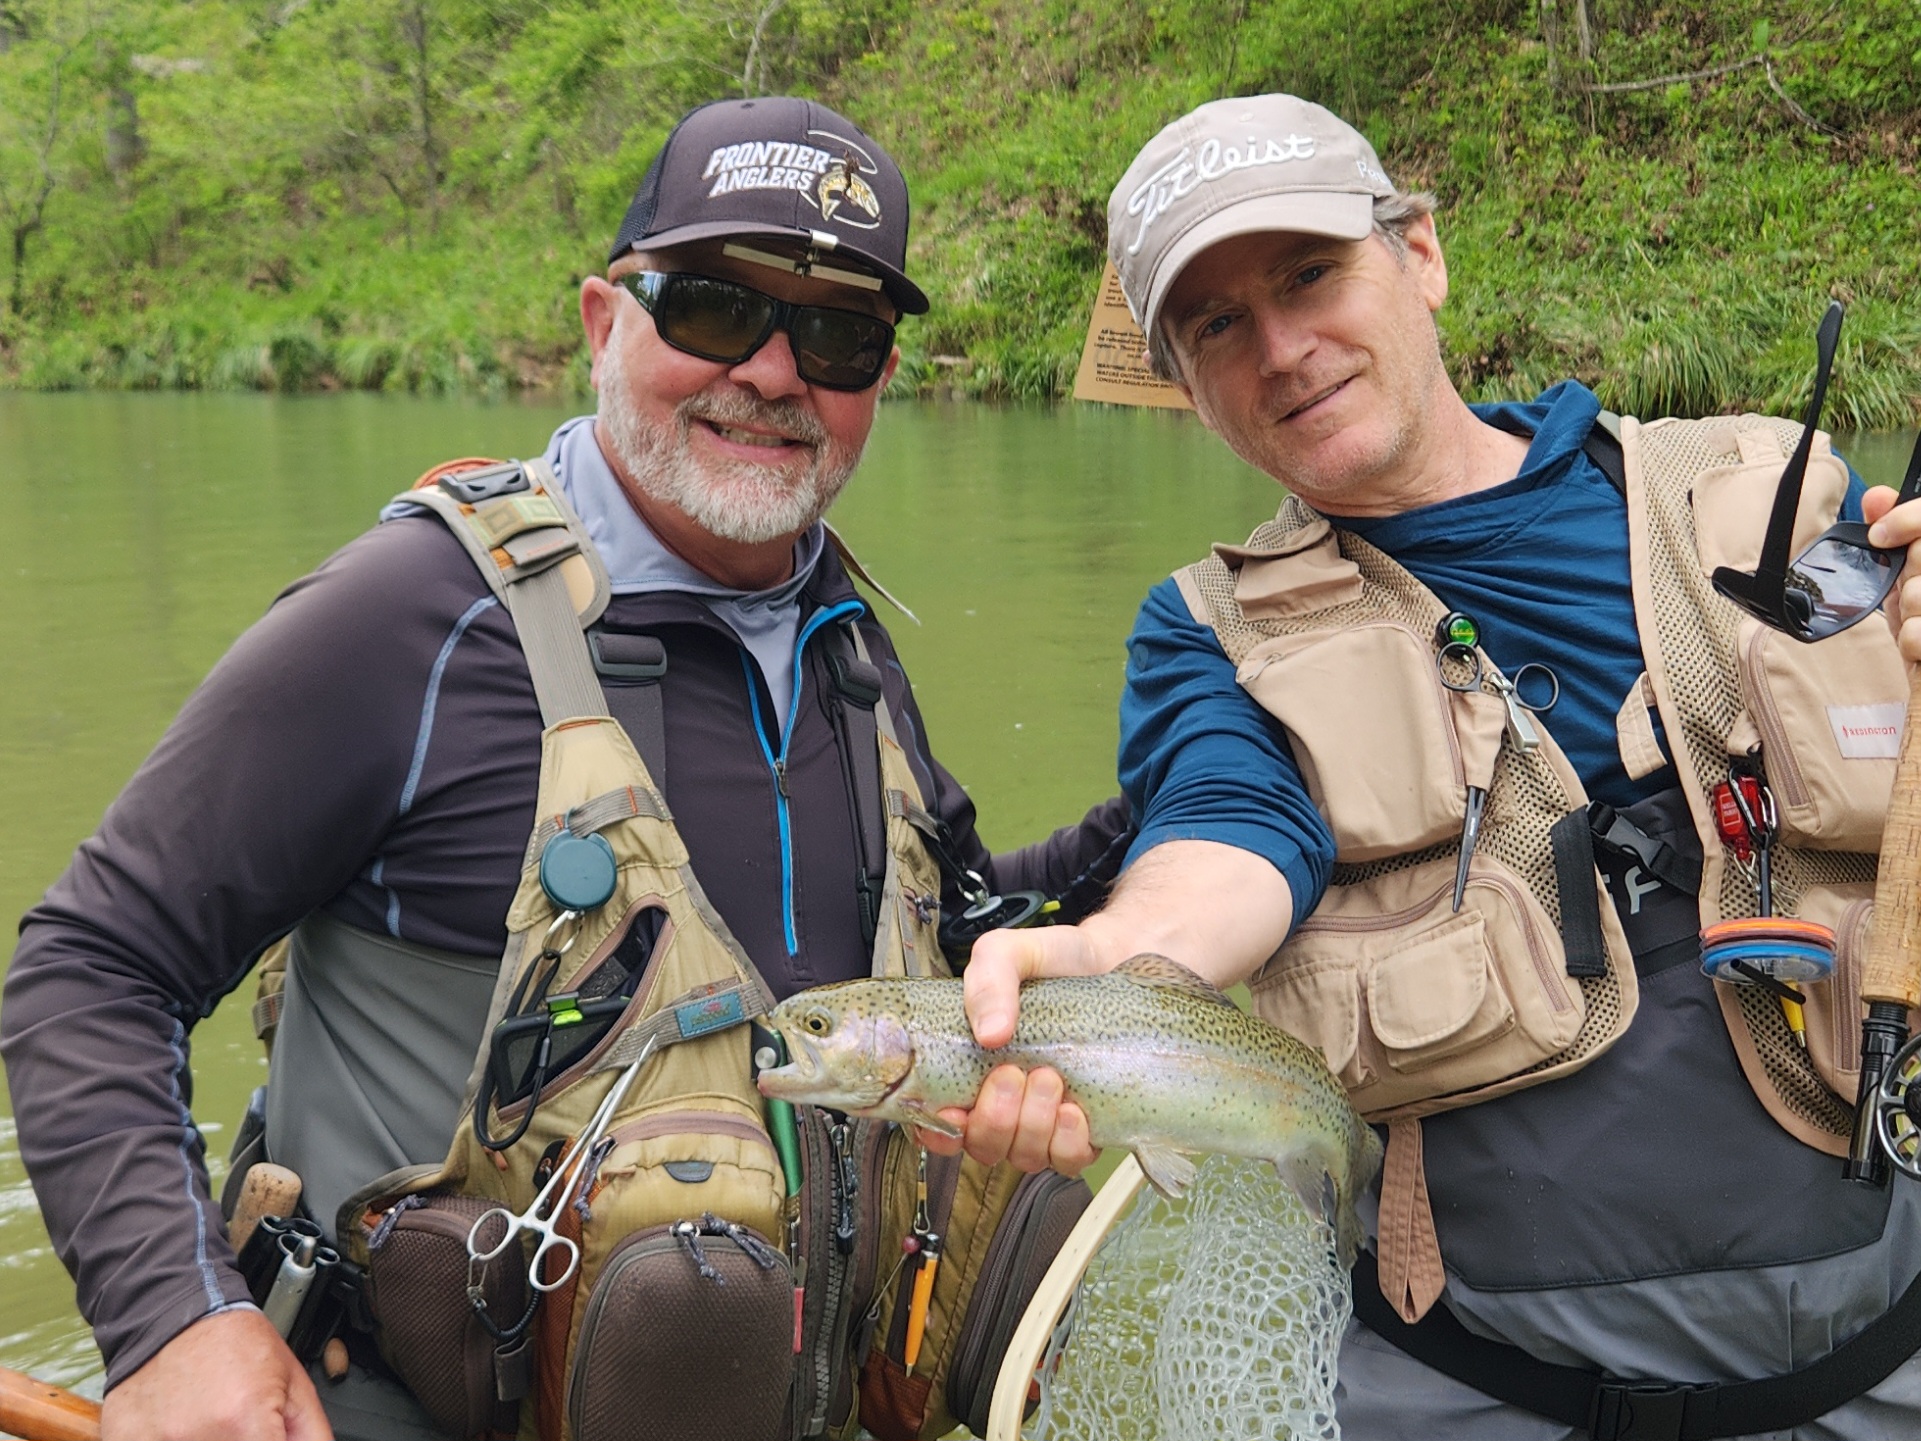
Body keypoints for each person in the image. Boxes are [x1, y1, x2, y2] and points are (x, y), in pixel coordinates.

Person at [1, 97, 1128, 1441]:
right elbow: (91, 963)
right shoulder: (406, 621)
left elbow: (954, 921)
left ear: (881, 377)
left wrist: (1202, 794)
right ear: (604, 320)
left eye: (835, 333)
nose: (772, 372)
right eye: (712, 306)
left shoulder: (847, 643)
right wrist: (173, 1319)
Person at [932, 92, 1921, 1440]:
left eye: (1308, 274)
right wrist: (1126, 966)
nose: (1281, 349)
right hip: (1478, 1389)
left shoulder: (1766, 492)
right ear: (1182, 387)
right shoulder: (1203, 634)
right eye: (1217, 325)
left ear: (1421, 256)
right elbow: (1224, 829)